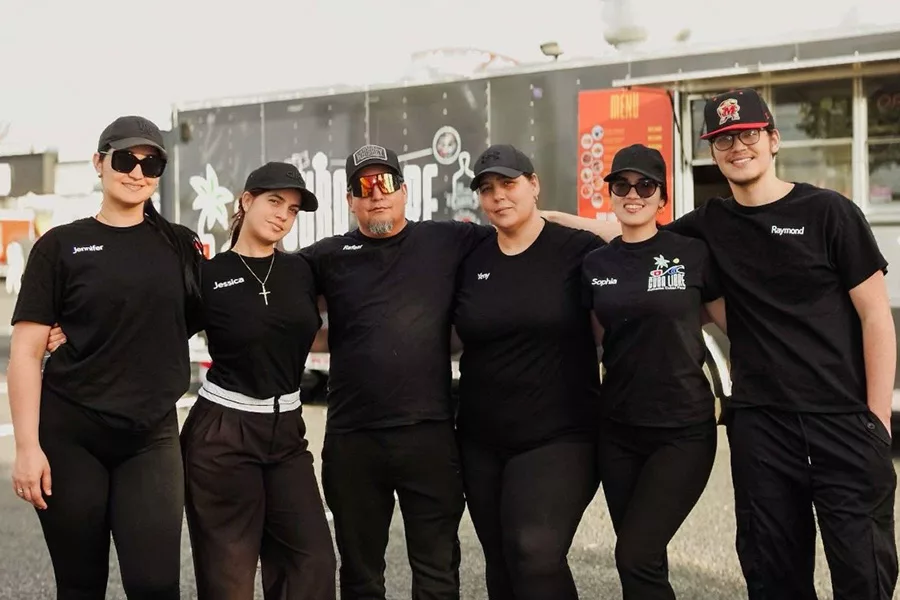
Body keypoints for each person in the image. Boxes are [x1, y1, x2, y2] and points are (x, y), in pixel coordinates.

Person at [546, 88, 899, 600]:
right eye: (722, 139)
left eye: (748, 134)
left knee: (862, 573)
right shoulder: (708, 225)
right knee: (772, 573)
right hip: (760, 422)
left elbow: (876, 317)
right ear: (713, 151)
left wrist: (877, 422)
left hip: (840, 417)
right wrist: (548, 221)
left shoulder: (829, 212)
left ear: (773, 140)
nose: (737, 147)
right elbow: (629, 229)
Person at [8, 115, 203, 599]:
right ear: (99, 163)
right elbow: (25, 355)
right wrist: (27, 449)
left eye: (151, 162)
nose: (137, 172)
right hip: (71, 439)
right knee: (80, 587)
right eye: (125, 159)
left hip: (150, 439)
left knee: (156, 587)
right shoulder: (60, 246)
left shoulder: (179, 245)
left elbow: (205, 315)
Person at [298, 144, 496, 600]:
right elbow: (266, 278)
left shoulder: (447, 240)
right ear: (350, 199)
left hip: (428, 434)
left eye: (385, 182)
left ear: (405, 190)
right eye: (363, 187)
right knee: (361, 575)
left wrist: (617, 231)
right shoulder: (327, 256)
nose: (376, 194)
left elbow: (525, 235)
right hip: (353, 440)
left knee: (437, 571)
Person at [451, 144, 605, 600]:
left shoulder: (578, 250)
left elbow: (638, 237)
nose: (498, 196)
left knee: (535, 553)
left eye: (509, 184)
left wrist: (565, 217)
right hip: (480, 438)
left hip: (560, 435)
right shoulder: (471, 256)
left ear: (534, 185)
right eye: (487, 188)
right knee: (500, 561)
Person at [179, 162, 336, 599]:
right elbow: (150, 327)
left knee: (313, 563)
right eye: (273, 201)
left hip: (286, 435)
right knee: (228, 581)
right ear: (245, 201)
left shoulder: (303, 271)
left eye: (292, 209)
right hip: (223, 436)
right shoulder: (207, 277)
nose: (283, 215)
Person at [581, 144, 725, 600]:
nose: (633, 193)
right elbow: (597, 338)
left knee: (635, 554)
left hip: (682, 431)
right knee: (643, 560)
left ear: (663, 197)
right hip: (618, 431)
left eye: (646, 185)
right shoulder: (595, 264)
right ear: (611, 194)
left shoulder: (692, 254)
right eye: (621, 185)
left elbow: (737, 328)